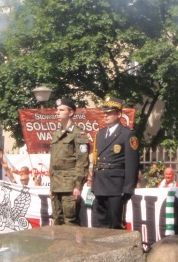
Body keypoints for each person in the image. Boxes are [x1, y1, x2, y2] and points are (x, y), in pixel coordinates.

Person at [91, 97, 140, 229]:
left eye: (109, 113)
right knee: (101, 225)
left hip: (116, 186)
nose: (106, 115)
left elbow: (132, 163)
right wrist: (93, 185)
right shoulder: (100, 134)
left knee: (116, 224)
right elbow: (96, 162)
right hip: (100, 184)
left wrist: (128, 188)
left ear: (119, 114)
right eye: (104, 113)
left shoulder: (127, 134)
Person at [49, 98, 90, 226]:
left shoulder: (78, 133)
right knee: (57, 219)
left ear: (71, 113)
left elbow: (82, 162)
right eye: (57, 110)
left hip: (69, 183)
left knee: (70, 220)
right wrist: (52, 186)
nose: (57, 112)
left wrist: (78, 185)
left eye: (61, 110)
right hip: (56, 184)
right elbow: (53, 161)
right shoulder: (57, 133)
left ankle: (73, 246)